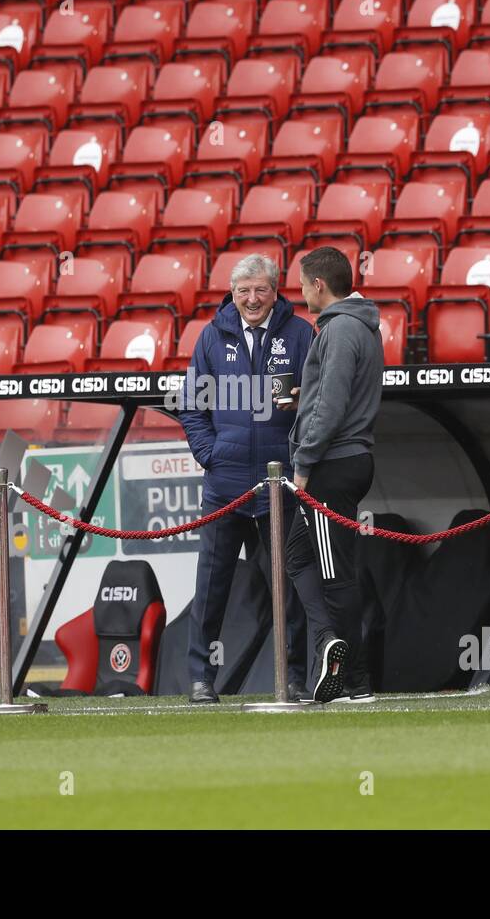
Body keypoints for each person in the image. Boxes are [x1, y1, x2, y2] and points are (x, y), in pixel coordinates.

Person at [178, 254, 316, 704]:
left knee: (290, 587)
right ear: (232, 294)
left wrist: (300, 416)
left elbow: (320, 399)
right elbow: (193, 406)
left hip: (282, 483)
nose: (252, 299)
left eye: (260, 290)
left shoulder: (299, 334)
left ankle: (293, 677)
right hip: (226, 483)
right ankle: (201, 678)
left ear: (275, 291)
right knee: (211, 585)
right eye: (243, 291)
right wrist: (209, 456)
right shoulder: (212, 336)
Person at [285, 245, 384, 703]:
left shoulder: (341, 328)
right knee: (298, 556)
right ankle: (329, 642)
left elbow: (335, 404)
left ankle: (355, 681)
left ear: (319, 285)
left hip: (332, 465)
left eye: (303, 283)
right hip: (344, 459)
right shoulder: (353, 325)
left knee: (335, 574)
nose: (300, 291)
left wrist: (304, 464)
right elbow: (333, 392)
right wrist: (309, 395)